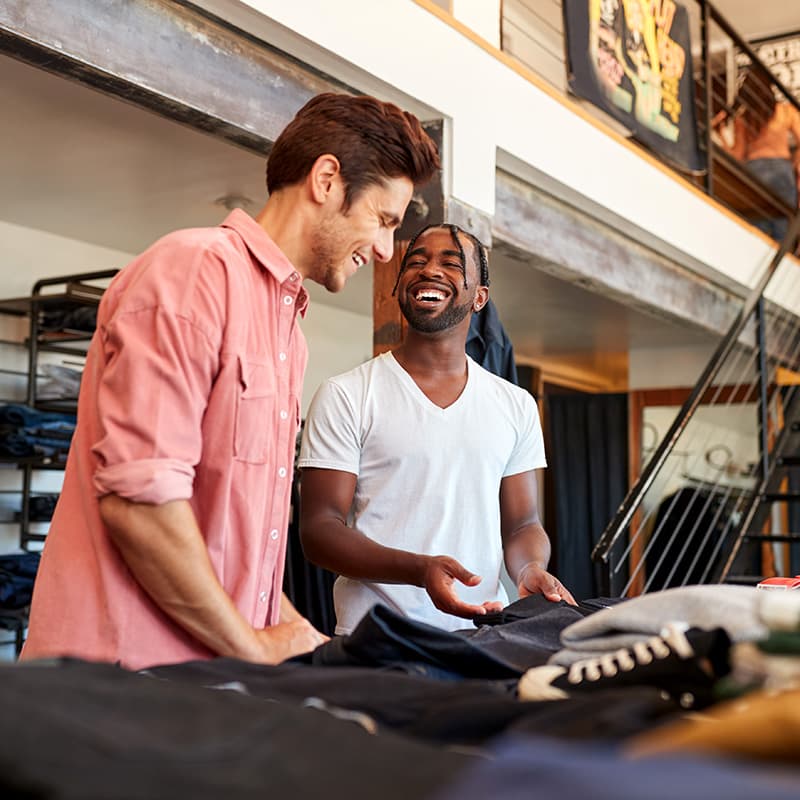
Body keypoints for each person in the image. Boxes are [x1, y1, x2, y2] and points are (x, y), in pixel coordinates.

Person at [21, 93, 440, 670]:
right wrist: (250, 646)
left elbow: (237, 546)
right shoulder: (192, 271)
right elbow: (139, 502)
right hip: (119, 684)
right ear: (326, 180)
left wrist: (300, 637)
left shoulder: (289, 328)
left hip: (204, 685)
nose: (386, 248)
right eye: (384, 220)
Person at [298, 224, 575, 635]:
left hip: (482, 634)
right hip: (375, 638)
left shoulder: (515, 405)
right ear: (399, 286)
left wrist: (529, 569)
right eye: (416, 261)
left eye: (450, 262)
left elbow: (522, 525)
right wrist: (418, 570)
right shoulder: (346, 395)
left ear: (479, 297)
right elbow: (319, 530)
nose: (429, 270)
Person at [719, 68, 800, 242]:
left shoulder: (744, 117)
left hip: (753, 172)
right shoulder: (785, 111)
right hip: (781, 170)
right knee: (783, 227)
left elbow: (738, 156)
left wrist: (720, 137)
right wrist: (795, 164)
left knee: (758, 230)